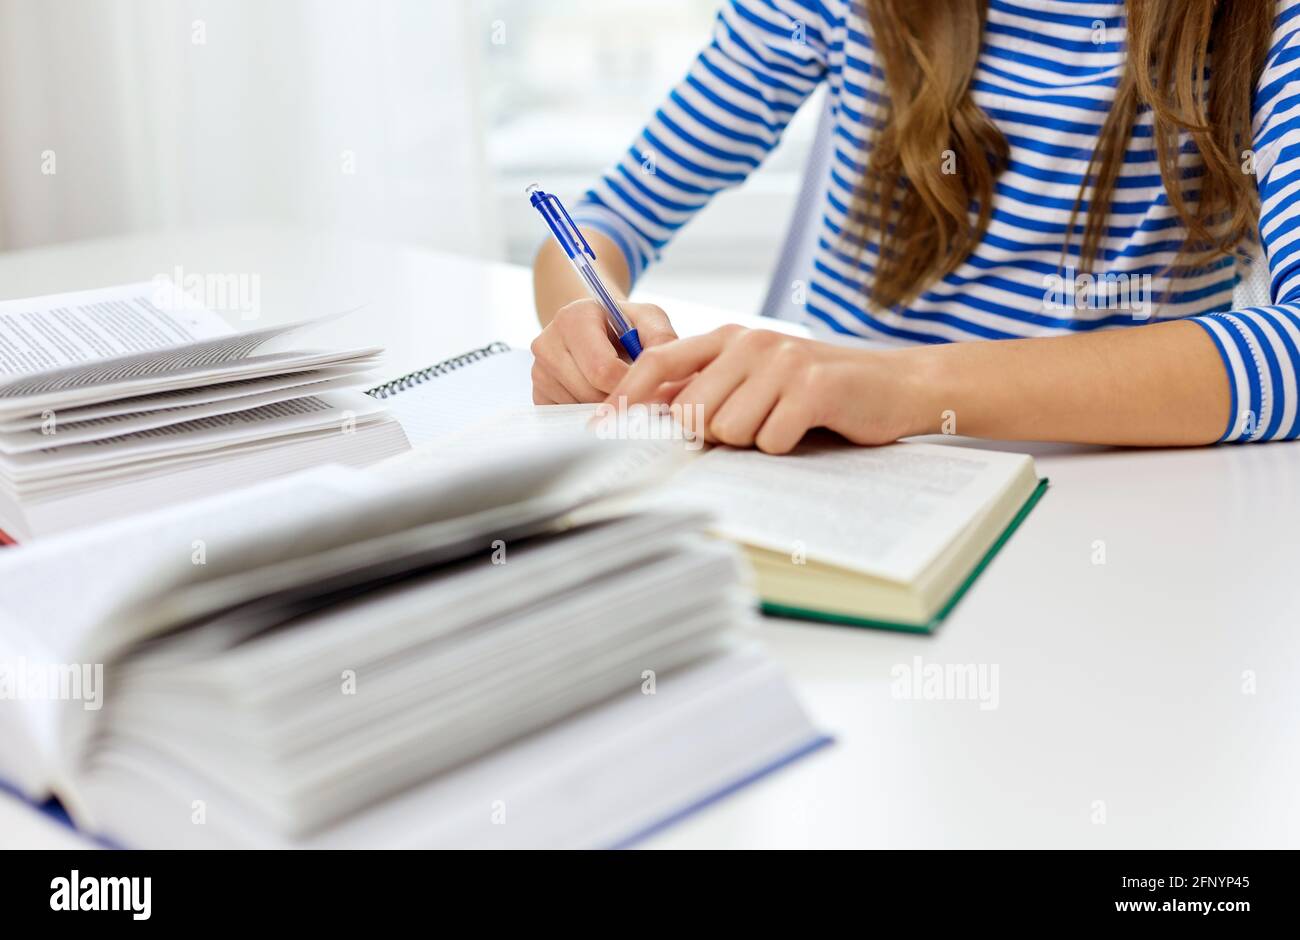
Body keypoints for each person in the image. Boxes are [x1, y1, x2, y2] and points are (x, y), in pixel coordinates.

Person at [530, 0, 1300, 453]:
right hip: (841, 475)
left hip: (1123, 489)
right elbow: (612, 217)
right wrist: (587, 318)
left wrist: (905, 384)